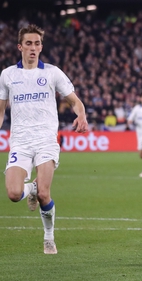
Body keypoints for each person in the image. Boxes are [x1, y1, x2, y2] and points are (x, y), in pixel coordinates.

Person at [0, 24, 88, 254]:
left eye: (37, 43)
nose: (33, 47)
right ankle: (30, 189)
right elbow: (0, 111)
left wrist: (81, 115)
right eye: (28, 43)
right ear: (20, 46)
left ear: (41, 47)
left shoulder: (52, 72)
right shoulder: (8, 75)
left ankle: (49, 236)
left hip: (46, 140)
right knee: (13, 194)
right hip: (20, 141)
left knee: (44, 193)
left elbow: (75, 101)